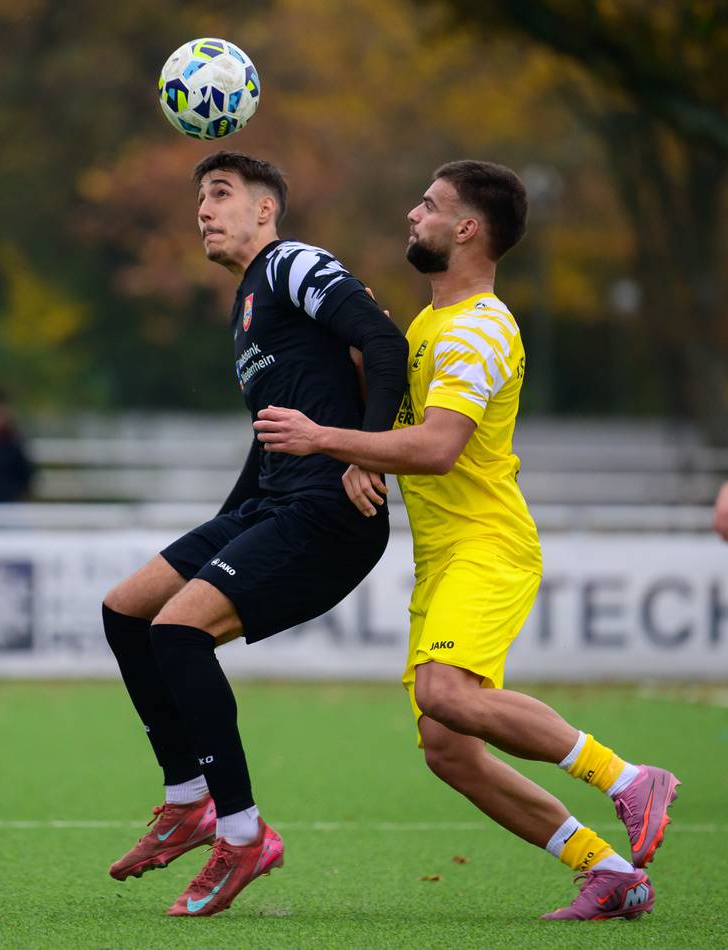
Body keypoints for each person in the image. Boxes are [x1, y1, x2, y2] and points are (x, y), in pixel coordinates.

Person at [253, 160, 680, 922]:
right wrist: (359, 422)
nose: (412, 214)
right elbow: (405, 429)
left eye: (429, 204)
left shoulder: (480, 329)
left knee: (444, 693)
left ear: (468, 227)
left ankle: (628, 779)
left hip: (487, 543)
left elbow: (440, 447)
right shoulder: (430, 325)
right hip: (444, 554)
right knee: (447, 747)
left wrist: (323, 438)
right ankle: (608, 871)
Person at [102, 151, 408, 917]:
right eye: (200, 199)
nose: (203, 211)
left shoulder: (292, 263)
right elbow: (269, 436)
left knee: (178, 633)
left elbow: (385, 343)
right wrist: (223, 529)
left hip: (329, 510)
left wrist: (366, 453)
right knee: (126, 611)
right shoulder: (246, 302)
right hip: (274, 502)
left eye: (220, 194)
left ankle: (242, 835)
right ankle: (188, 801)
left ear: (265, 209)